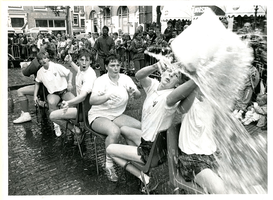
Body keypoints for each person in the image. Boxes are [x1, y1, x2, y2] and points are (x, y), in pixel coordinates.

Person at [106, 61, 197, 193]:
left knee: (109, 149)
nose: (170, 75)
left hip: (151, 153)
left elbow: (179, 94)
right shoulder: (154, 86)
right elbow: (138, 75)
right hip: (156, 147)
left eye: (175, 76)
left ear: (177, 85)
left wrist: (197, 76)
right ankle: (137, 163)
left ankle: (144, 177)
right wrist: (155, 66)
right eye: (169, 71)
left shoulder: (169, 98)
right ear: (163, 71)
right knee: (124, 130)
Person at [88, 54, 141, 182]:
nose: (115, 68)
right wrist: (106, 96)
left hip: (117, 114)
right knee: (114, 131)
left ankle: (136, 158)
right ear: (106, 67)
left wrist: (135, 93)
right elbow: (92, 100)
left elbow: (139, 95)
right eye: (112, 65)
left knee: (139, 127)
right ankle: (109, 165)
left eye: (118, 65)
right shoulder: (101, 80)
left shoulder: (125, 78)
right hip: (99, 115)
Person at [177, 86, 228, 194]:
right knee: (221, 190)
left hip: (212, 155)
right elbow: (180, 109)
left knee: (238, 181)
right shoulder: (189, 101)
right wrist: (196, 83)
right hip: (192, 160)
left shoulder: (211, 103)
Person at [49, 49, 97, 141]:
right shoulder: (83, 69)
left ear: (90, 61)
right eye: (81, 60)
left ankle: (76, 130)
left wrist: (68, 102)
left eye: (86, 60)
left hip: (85, 111)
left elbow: (83, 96)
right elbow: (78, 69)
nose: (84, 63)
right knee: (61, 107)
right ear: (78, 60)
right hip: (80, 106)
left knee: (52, 116)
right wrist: (70, 62)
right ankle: (76, 127)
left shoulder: (90, 76)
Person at [34, 51, 75, 136]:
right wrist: (35, 95)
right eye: (41, 59)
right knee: (51, 102)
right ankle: (56, 125)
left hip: (64, 91)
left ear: (48, 58)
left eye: (45, 58)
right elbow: (37, 82)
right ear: (39, 61)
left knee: (73, 100)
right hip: (54, 93)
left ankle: (73, 122)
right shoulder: (40, 72)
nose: (43, 60)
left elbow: (70, 73)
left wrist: (70, 82)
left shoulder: (56, 66)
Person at [13, 53, 44, 124]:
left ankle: (26, 115)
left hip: (42, 89)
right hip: (54, 88)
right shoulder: (54, 64)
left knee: (20, 91)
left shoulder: (36, 62)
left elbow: (25, 73)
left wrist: (25, 66)